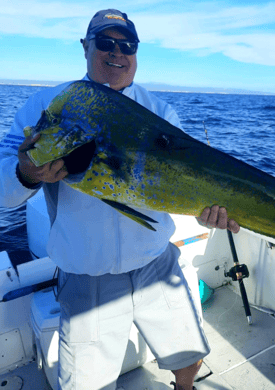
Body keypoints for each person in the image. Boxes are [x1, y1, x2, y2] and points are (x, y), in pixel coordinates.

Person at [0, 9, 239, 390]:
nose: (117, 52)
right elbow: (4, 191)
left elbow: (191, 180)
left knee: (189, 357)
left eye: (127, 44)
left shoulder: (159, 111)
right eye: (106, 43)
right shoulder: (44, 106)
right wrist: (26, 173)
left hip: (157, 262)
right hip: (87, 276)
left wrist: (210, 211)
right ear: (85, 47)